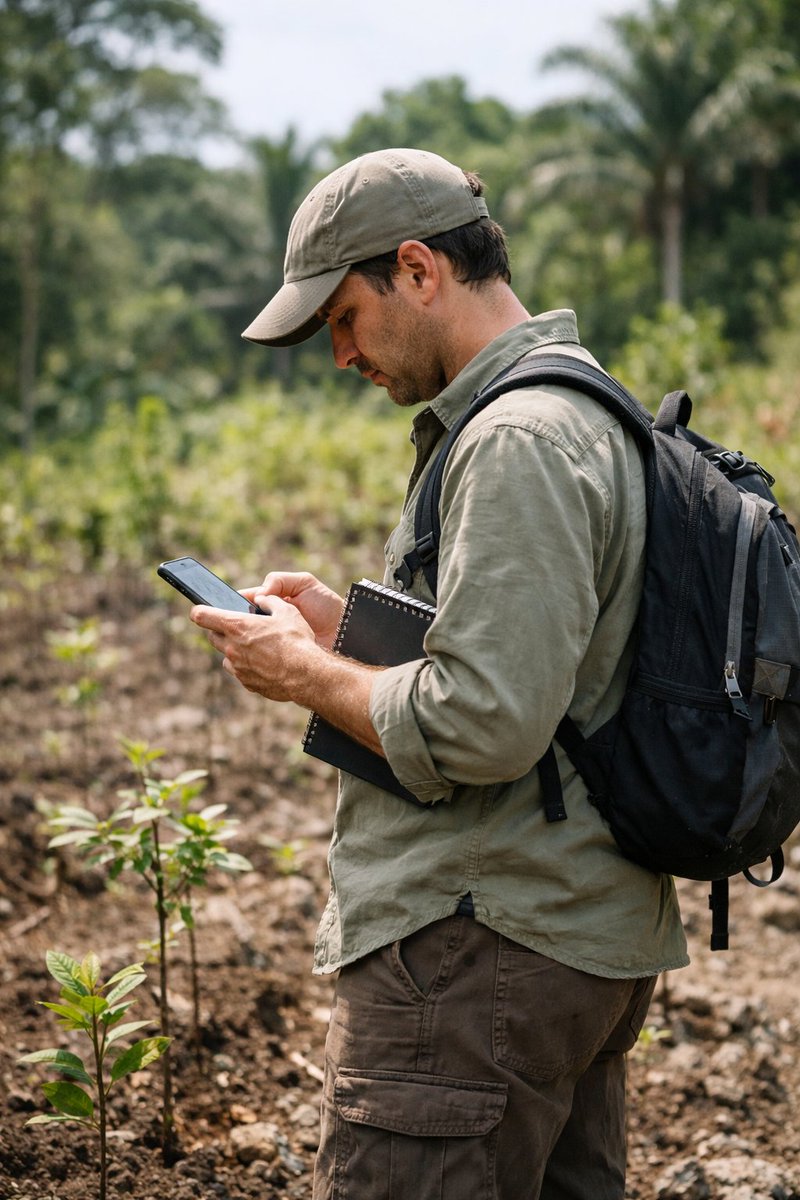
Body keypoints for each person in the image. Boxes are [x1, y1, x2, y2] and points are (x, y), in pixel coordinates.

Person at [190, 148, 688, 1200]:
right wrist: (341, 631)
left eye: (344, 317)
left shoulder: (516, 439)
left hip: (475, 951)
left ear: (418, 270)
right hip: (564, 935)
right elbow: (552, 665)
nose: (341, 354)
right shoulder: (583, 405)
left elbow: (484, 722)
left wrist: (303, 674)